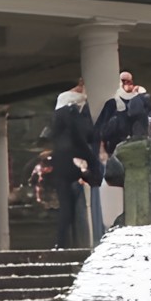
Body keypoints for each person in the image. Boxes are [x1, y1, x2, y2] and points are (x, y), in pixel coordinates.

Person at [49, 83, 100, 248]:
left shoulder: (56, 117)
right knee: (83, 206)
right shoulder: (73, 113)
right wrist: (92, 160)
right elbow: (81, 138)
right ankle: (84, 242)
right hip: (76, 163)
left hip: (60, 165)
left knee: (65, 209)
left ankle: (62, 243)